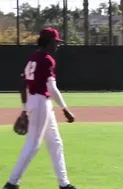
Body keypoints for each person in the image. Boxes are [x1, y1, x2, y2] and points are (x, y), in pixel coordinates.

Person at [3, 28, 78, 189]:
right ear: (48, 42)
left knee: (55, 142)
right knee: (33, 144)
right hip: (40, 102)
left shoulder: (33, 58)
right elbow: (52, 88)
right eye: (55, 42)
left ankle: (64, 184)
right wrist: (65, 109)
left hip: (36, 102)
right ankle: (12, 183)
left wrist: (24, 108)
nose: (57, 46)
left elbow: (23, 86)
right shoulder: (46, 59)